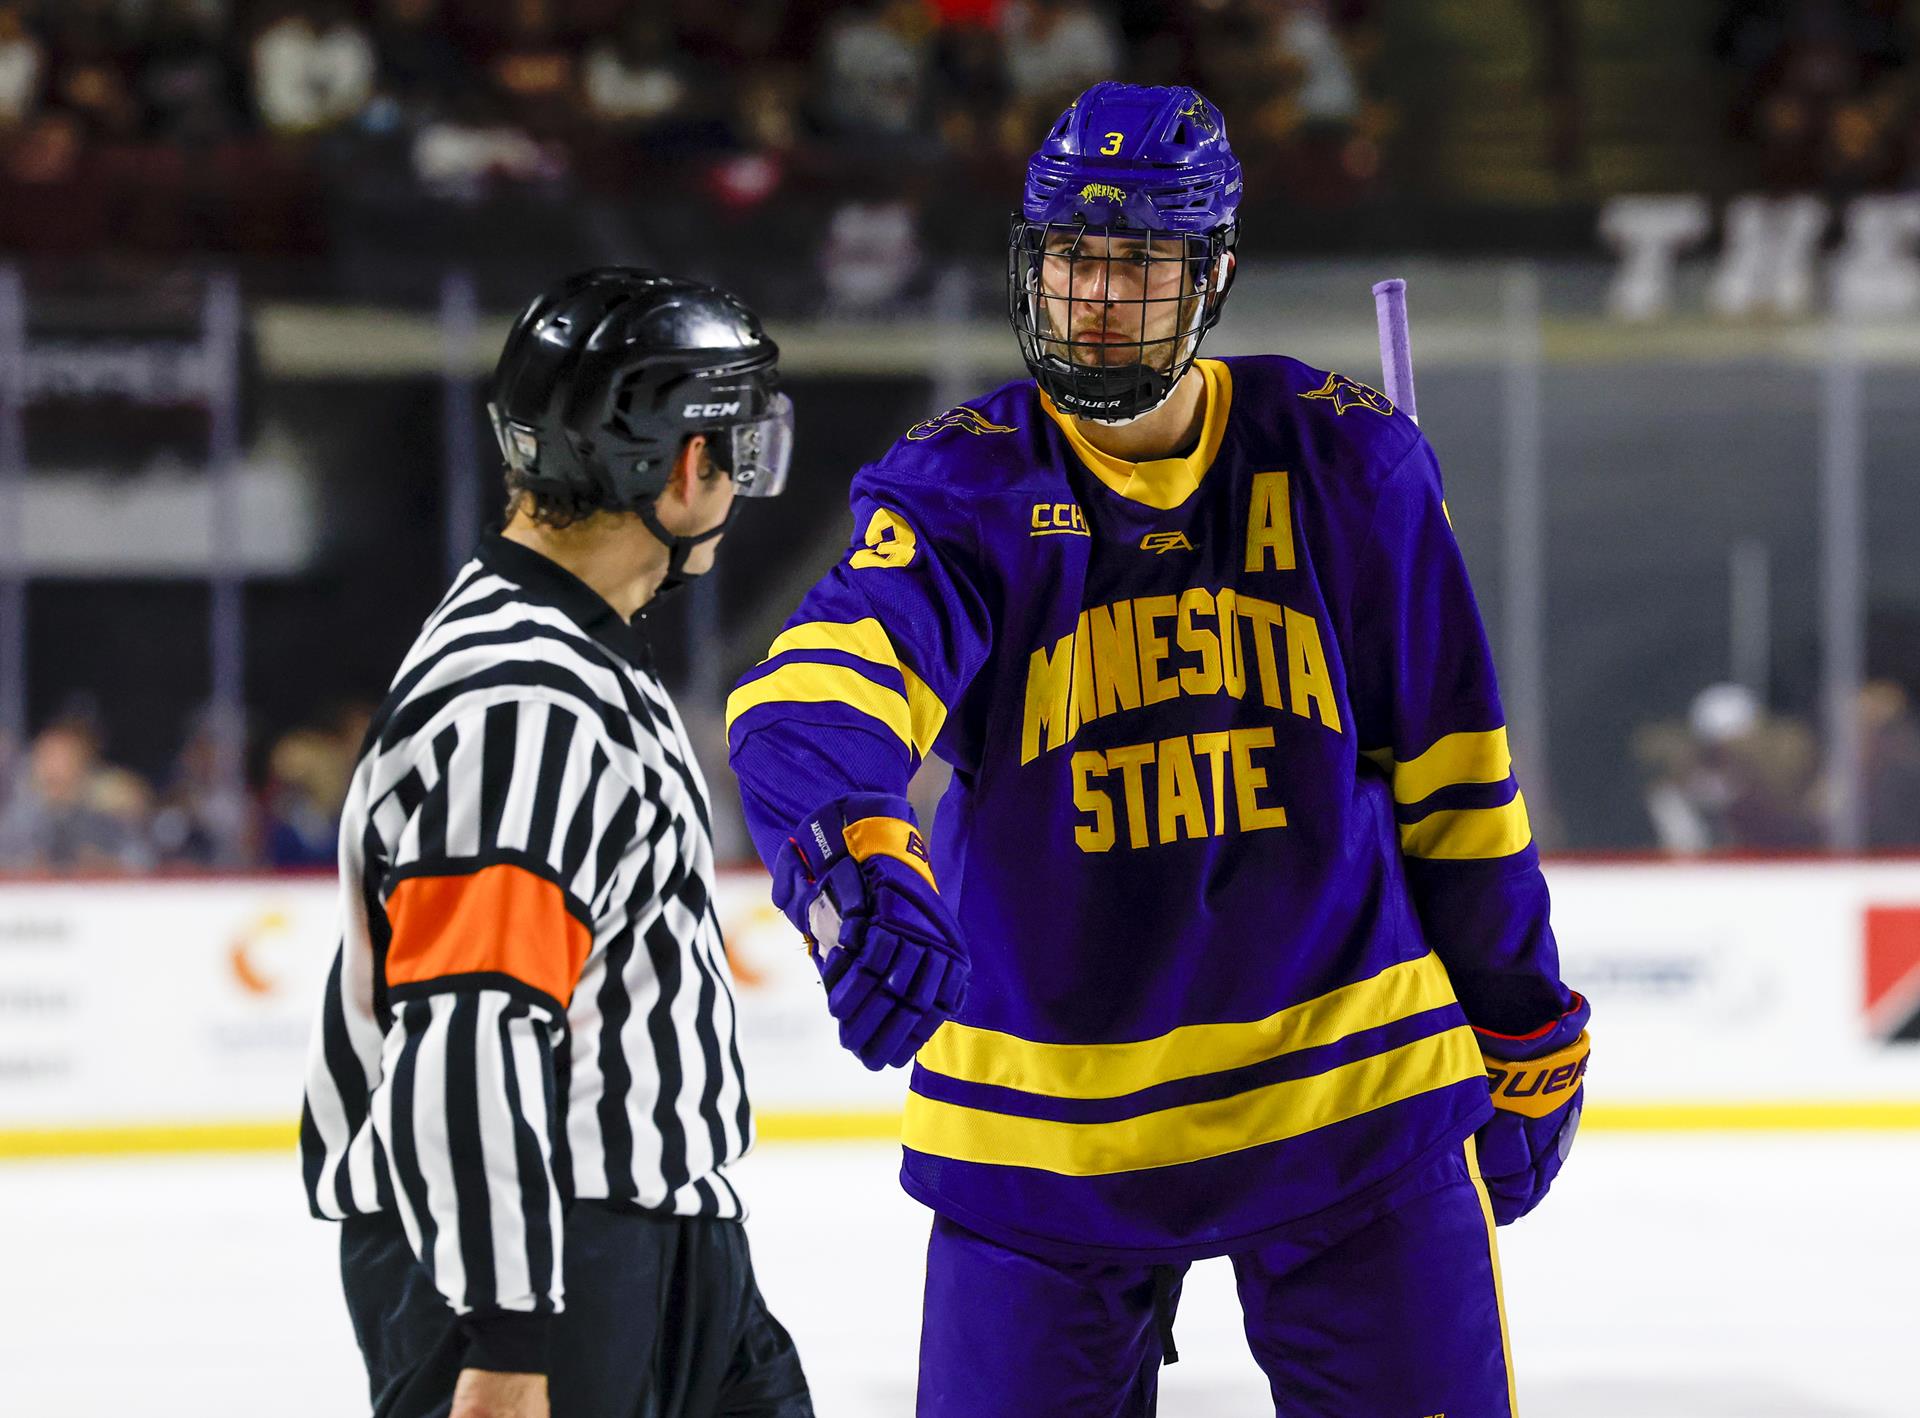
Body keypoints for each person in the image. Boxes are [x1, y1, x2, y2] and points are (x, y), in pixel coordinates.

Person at [726, 82, 1588, 1417]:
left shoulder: (1351, 461)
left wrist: (1524, 1017)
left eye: (1139, 263)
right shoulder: (960, 489)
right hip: (1043, 1128)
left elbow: (1459, 786)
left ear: (1214, 273)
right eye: (1074, 258)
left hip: (1351, 1095)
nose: (1098, 299)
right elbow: (814, 692)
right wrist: (857, 847)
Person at [302, 268, 811, 1418]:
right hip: (553, 1268)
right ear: (683, 465)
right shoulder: (521, 695)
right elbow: (474, 1023)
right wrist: (507, 1337)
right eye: (735, 446)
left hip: (650, 1235)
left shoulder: (564, 653)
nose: (741, 478)